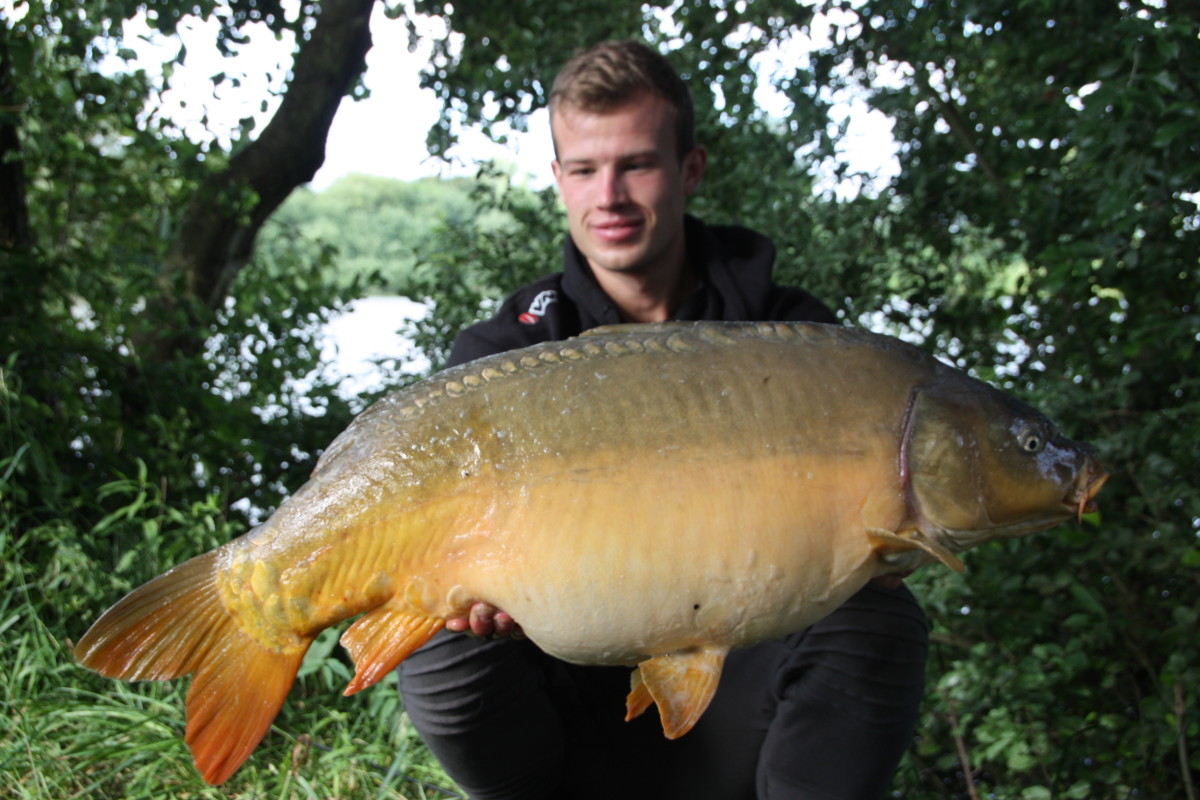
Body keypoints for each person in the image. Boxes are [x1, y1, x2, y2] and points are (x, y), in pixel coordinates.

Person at [398, 40, 929, 799]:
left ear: (690, 170)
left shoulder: (796, 339)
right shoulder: (506, 351)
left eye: (636, 164)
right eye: (584, 169)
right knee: (437, 641)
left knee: (879, 613)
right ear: (558, 180)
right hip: (561, 710)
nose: (607, 195)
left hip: (749, 692)